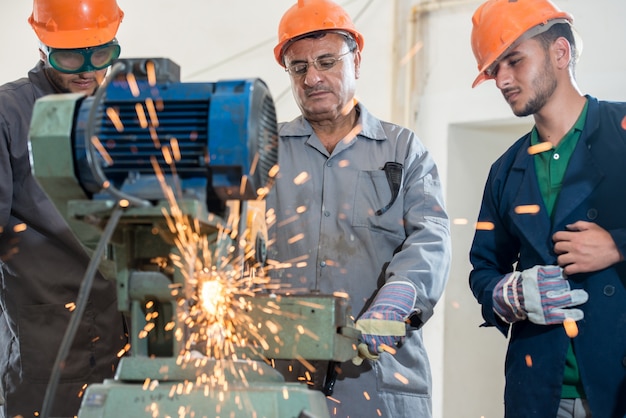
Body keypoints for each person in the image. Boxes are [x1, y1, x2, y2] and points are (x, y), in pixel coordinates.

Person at [265, 1, 451, 417]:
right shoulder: (266, 154)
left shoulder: (403, 152)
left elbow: (432, 237)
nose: (312, 77)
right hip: (281, 385)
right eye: (298, 68)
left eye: (327, 61)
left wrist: (403, 294)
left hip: (380, 384)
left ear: (356, 61)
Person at [468, 0, 626, 417]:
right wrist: (507, 294)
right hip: (538, 391)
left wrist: (618, 245)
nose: (502, 79)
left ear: (560, 52)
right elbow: (484, 268)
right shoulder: (506, 170)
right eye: (493, 70)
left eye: (513, 61)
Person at [0, 0, 127, 416]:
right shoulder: (9, 114)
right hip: (47, 343)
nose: (87, 70)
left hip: (123, 339)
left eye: (101, 54)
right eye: (71, 55)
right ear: (42, 45)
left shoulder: (125, 109)